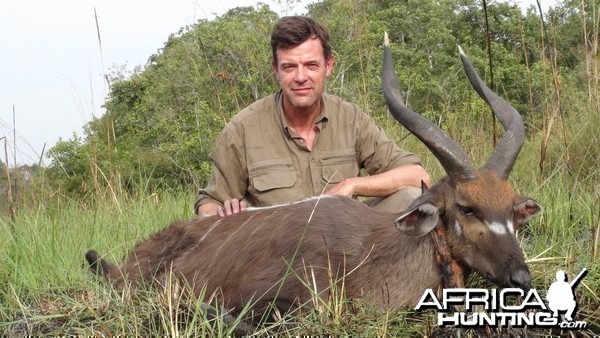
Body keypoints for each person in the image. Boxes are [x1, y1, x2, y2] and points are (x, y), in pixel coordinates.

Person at [195, 16, 430, 218]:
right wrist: (224, 213)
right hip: (276, 249)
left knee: (412, 197)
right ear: (275, 70)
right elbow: (209, 204)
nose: (300, 77)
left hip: (345, 237)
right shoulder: (242, 129)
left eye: (311, 65)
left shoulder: (351, 119)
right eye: (289, 67)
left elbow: (418, 177)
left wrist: (351, 185)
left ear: (328, 66)